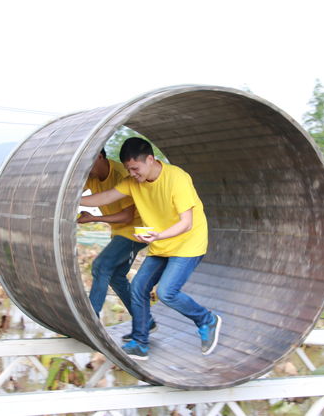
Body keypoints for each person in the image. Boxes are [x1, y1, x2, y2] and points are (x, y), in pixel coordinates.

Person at [80, 138, 221, 360]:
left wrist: (158, 235)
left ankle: (207, 320)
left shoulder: (177, 178)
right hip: (161, 244)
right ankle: (140, 342)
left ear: (150, 159)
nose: (132, 174)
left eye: (135, 168)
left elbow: (186, 223)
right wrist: (73, 200)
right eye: (128, 169)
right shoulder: (132, 182)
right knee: (138, 287)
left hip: (187, 244)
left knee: (166, 292)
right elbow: (105, 197)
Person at [78, 149, 149, 320]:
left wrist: (93, 218)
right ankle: (144, 320)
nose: (84, 170)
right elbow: (73, 192)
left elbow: (127, 217)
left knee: (101, 266)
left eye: (86, 163)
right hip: (120, 232)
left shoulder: (121, 175)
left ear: (99, 156)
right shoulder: (92, 175)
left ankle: (91, 317)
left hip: (136, 231)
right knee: (116, 277)